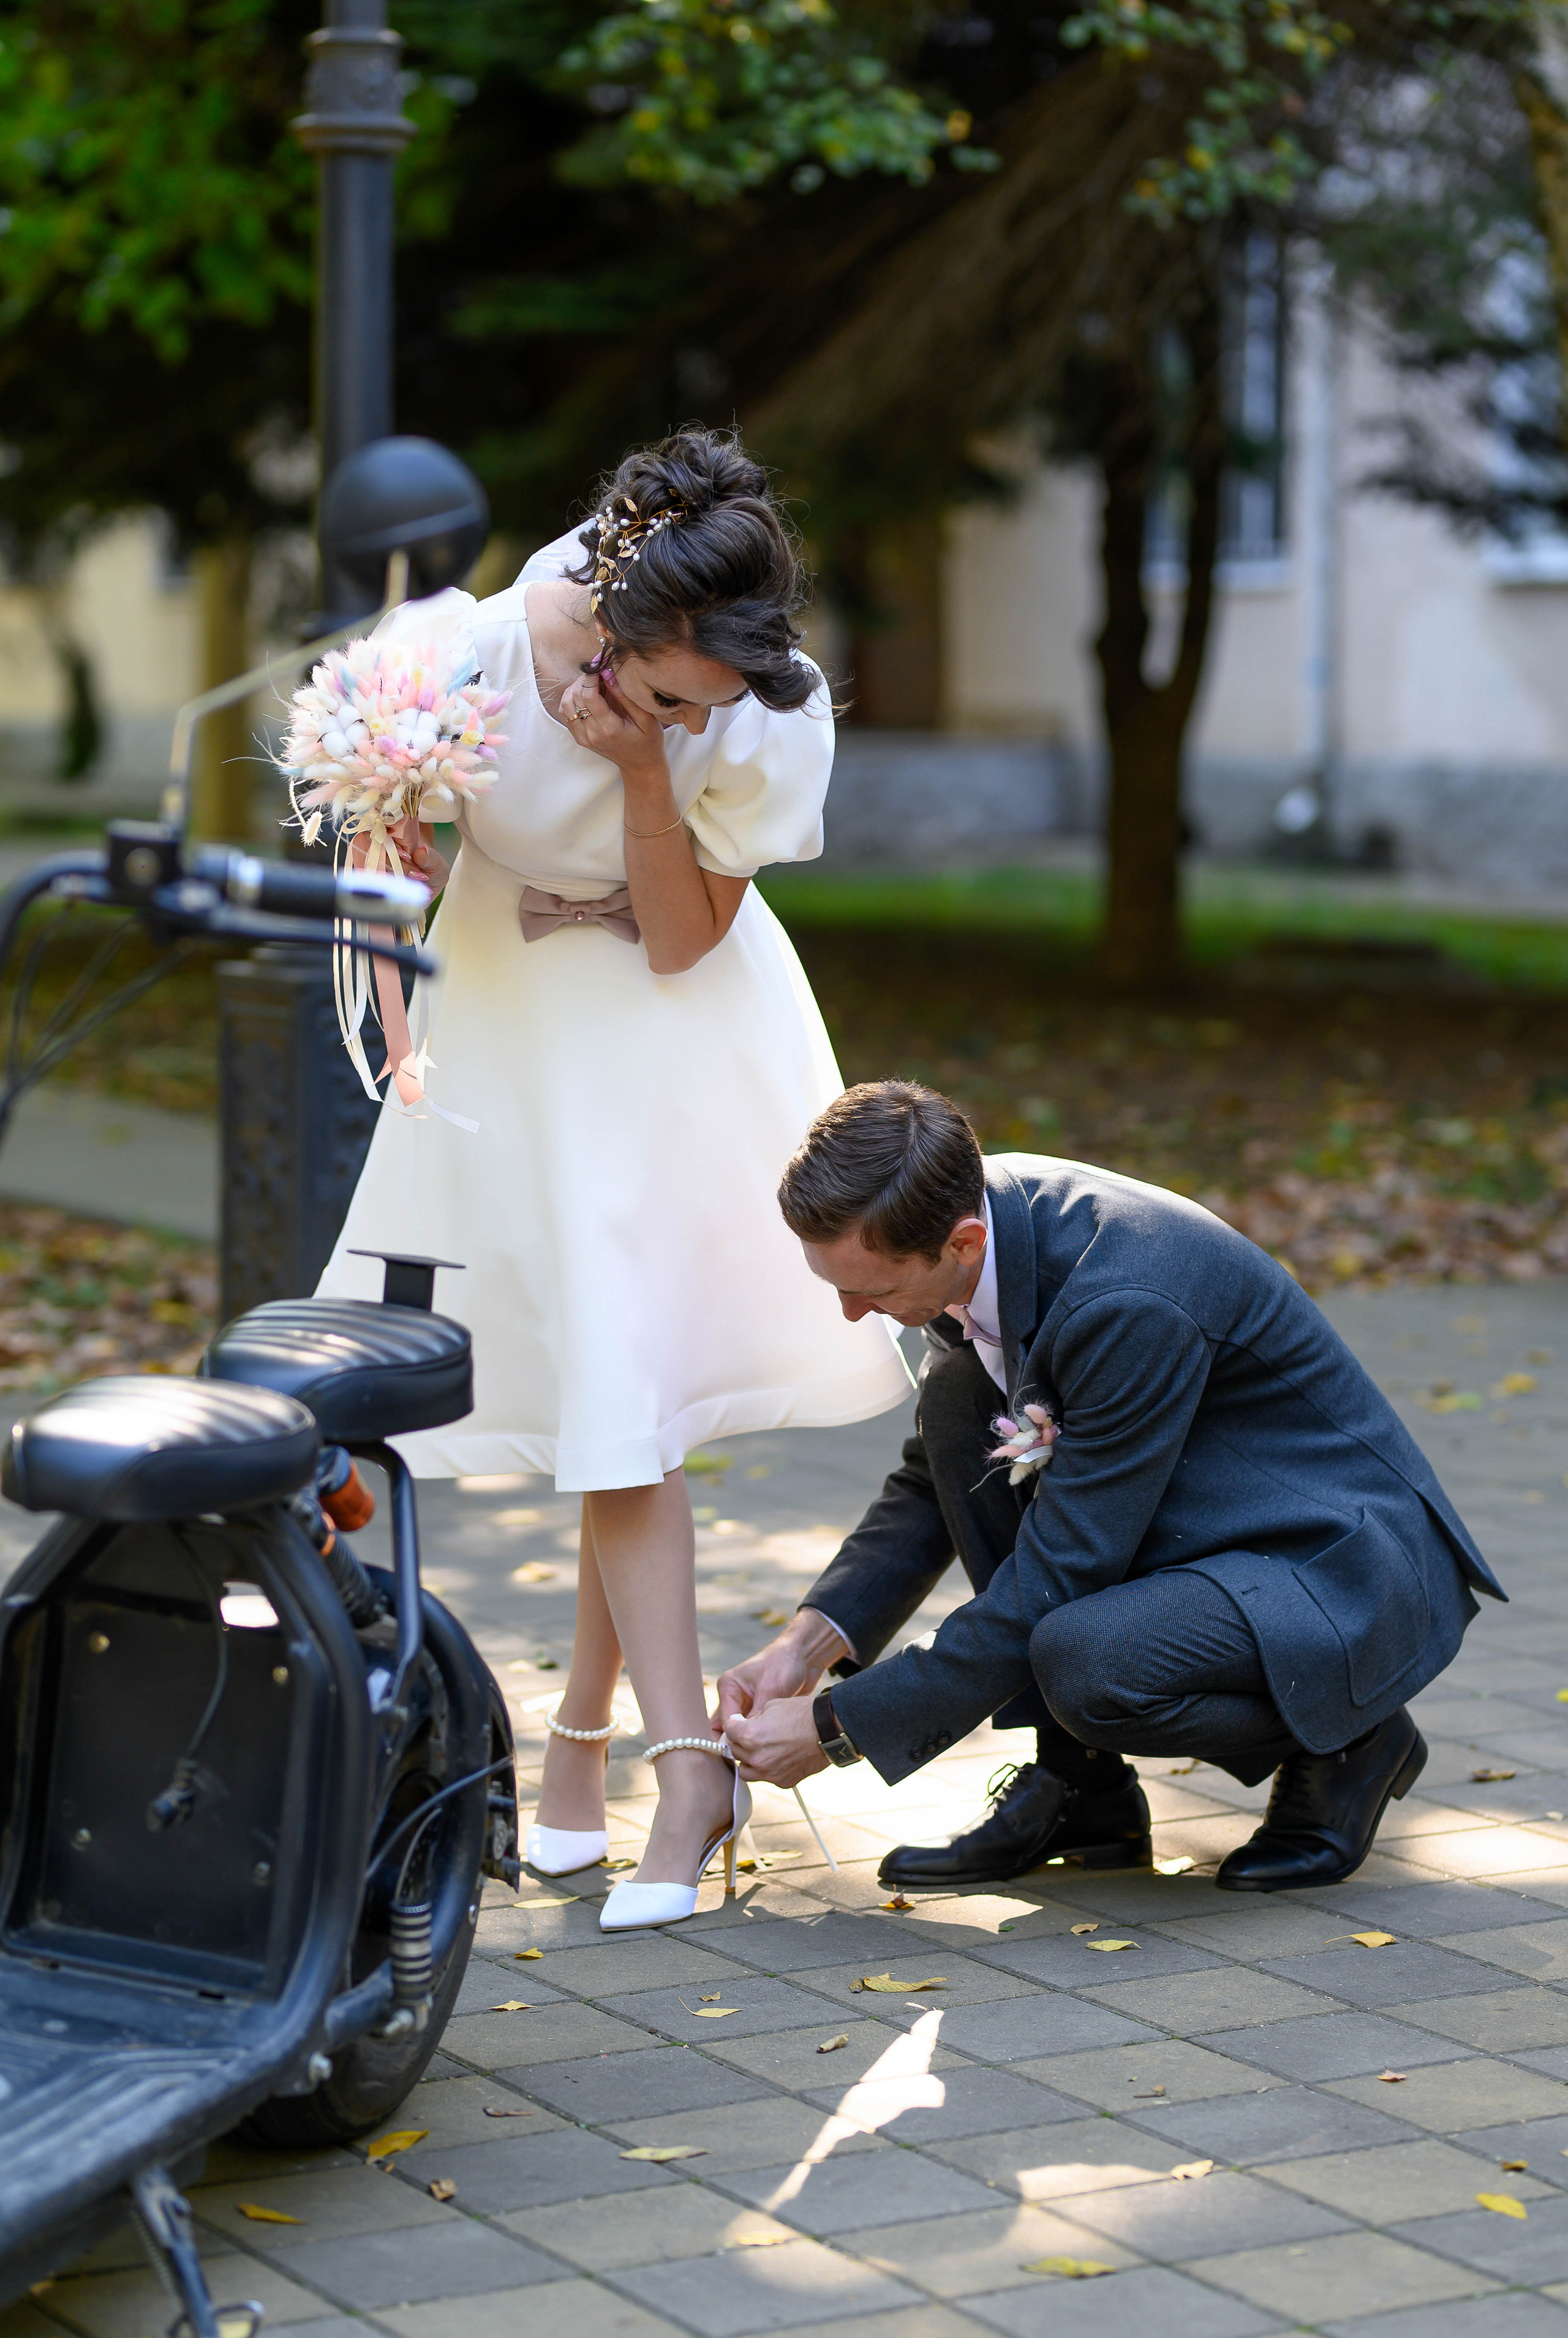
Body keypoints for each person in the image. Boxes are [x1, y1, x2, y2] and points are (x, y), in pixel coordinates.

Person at [317, 431, 910, 1931]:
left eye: (708, 706)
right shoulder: (458, 659)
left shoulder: (756, 704)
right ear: (610, 630)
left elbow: (682, 938)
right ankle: (581, 1754)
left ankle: (676, 1769)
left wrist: (648, 762)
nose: (697, 717)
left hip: (675, 1035)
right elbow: (385, 867)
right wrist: (393, 897)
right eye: (667, 695)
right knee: (610, 1392)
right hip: (512, 1032)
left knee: (623, 1394)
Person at [719, 1080, 1503, 1893]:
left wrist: (836, 1729)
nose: (853, 1314)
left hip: (1328, 1561)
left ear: (962, 1243)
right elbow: (935, 1482)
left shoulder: (1124, 1299)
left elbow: (1061, 1574)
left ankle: (1352, 1738)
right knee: (957, 1407)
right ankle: (1084, 1790)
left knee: (1088, 1661)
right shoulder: (971, 1219)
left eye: (872, 1291)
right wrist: (800, 1648)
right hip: (1200, 1518)